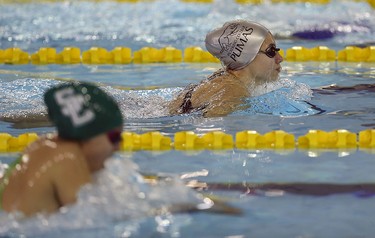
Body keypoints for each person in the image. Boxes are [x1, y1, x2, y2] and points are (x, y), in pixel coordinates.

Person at [0, 82, 124, 216]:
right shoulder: (68, 158)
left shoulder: (42, 145)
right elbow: (92, 220)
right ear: (88, 134)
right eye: (114, 137)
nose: (118, 146)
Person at [169, 19, 284, 117]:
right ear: (246, 57)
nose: (280, 58)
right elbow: (210, 130)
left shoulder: (223, 79)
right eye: (271, 51)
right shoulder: (233, 92)